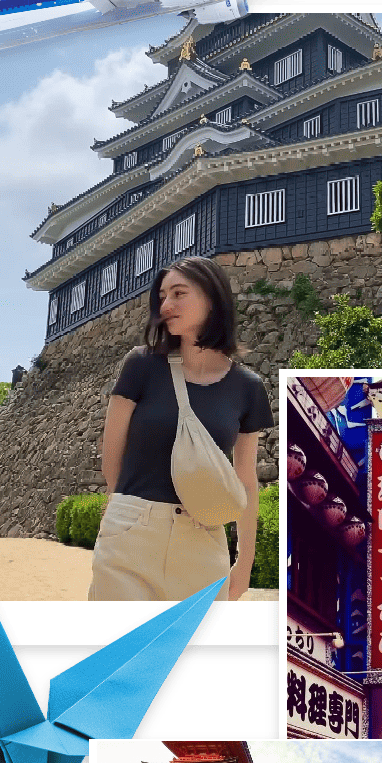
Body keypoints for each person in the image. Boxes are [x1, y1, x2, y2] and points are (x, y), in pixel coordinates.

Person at [88, 257, 274, 602]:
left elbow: (245, 481)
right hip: (130, 537)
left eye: (178, 293)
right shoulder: (140, 365)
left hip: (203, 542)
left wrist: (244, 563)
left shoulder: (249, 388)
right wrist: (125, 514)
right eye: (162, 296)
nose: (166, 305)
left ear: (212, 299)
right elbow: (111, 456)